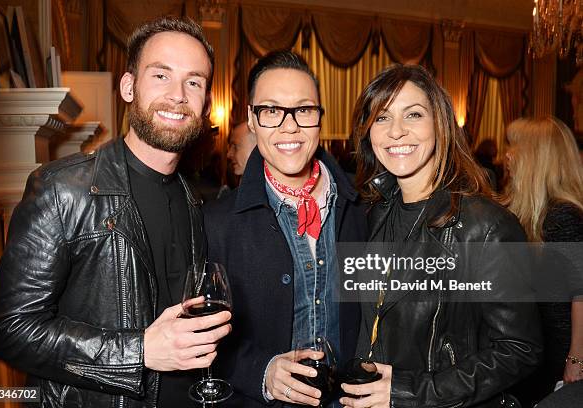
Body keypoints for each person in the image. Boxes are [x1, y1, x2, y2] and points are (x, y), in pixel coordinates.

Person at [0, 17, 231, 408]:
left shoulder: (192, 198)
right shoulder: (62, 190)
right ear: (128, 86)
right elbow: (7, 329)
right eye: (161, 76)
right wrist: (138, 353)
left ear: (205, 103)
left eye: (194, 81)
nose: (179, 95)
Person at [341, 64, 542, 408]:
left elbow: (519, 349)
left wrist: (410, 392)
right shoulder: (373, 213)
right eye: (382, 117)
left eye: (414, 114)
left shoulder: (486, 226)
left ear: (440, 124)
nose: (396, 132)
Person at [204, 50, 367, 407]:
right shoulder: (216, 222)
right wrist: (261, 371)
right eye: (271, 110)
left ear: (320, 117)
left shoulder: (364, 208)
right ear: (251, 118)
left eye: (304, 110)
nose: (289, 126)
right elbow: (202, 340)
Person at [502, 116, 583, 404]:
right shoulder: (528, 212)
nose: (507, 155)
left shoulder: (562, 215)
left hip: (559, 355)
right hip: (537, 350)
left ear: (538, 157)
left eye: (516, 147)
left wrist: (576, 358)